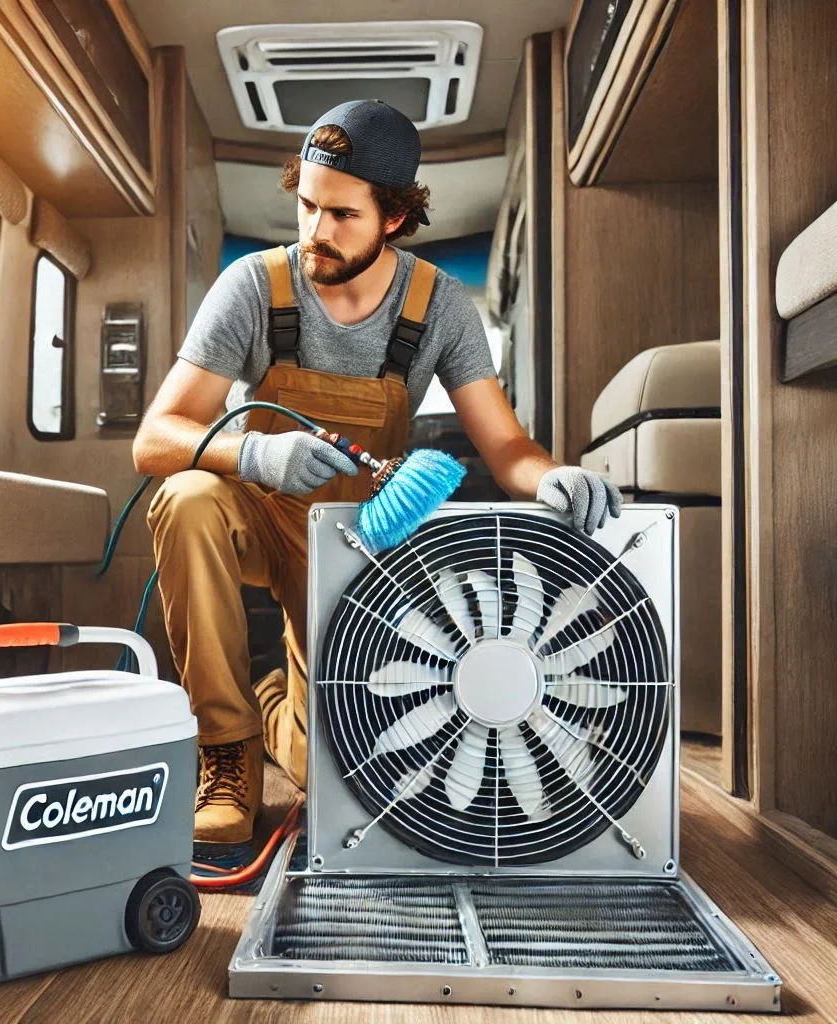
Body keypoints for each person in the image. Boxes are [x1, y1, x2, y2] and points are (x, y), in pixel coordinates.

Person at [132, 99, 622, 853]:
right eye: (306, 206)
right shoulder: (252, 286)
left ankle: (275, 712)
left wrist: (551, 478)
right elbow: (156, 439)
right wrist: (261, 457)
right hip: (257, 512)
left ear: (394, 216)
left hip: (360, 539)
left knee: (333, 768)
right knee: (186, 497)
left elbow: (507, 446)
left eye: (342, 215)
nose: (316, 232)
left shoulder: (440, 306)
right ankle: (225, 750)